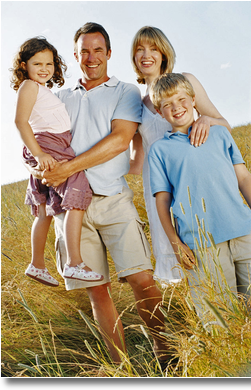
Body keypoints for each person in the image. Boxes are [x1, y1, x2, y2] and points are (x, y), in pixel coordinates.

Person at [31, 23, 167, 364]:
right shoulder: (59, 97)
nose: (91, 58)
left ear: (108, 53)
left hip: (112, 199)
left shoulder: (125, 92)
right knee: (97, 289)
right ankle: (119, 365)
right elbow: (40, 139)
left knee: (142, 279)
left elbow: (120, 140)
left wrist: (68, 167)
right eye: (84, 51)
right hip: (69, 207)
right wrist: (39, 167)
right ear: (76, 56)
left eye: (98, 50)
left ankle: (166, 352)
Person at [130, 26, 232, 286]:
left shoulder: (185, 81)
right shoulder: (136, 102)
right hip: (158, 186)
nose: (146, 54)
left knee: (208, 248)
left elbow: (225, 125)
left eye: (153, 48)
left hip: (193, 177)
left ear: (164, 53)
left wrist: (206, 120)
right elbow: (137, 160)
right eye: (139, 49)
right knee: (178, 255)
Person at [148, 73, 251, 313]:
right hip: (201, 245)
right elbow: (162, 201)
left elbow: (244, 178)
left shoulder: (220, 134)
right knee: (219, 315)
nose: (176, 107)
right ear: (159, 111)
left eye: (182, 99)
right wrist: (175, 243)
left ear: (194, 100)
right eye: (167, 104)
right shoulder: (160, 151)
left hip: (244, 231)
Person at [11, 37, 103, 287]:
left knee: (44, 213)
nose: (44, 68)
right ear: (23, 66)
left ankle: (37, 264)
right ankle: (75, 263)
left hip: (50, 145)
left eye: (49, 64)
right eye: (37, 63)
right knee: (79, 190)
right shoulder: (29, 86)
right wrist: (39, 154)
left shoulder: (42, 89)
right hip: (49, 145)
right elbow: (21, 122)